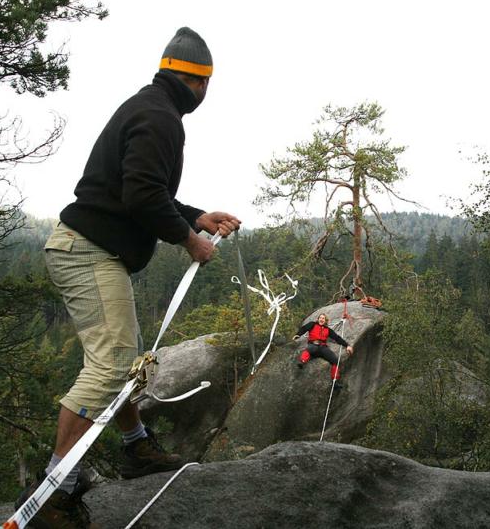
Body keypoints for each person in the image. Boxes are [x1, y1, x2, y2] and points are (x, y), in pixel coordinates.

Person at [17, 27, 240, 528]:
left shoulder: (149, 107)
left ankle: (136, 446)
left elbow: (138, 189)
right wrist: (189, 238)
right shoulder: (162, 118)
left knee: (123, 360)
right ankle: (56, 488)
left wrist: (196, 215)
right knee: (113, 363)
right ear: (199, 83)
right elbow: (141, 196)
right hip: (88, 252)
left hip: (88, 247)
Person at [293, 313, 353, 390]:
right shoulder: (312, 324)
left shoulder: (328, 330)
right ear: (318, 319)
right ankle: (302, 361)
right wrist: (298, 335)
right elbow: (304, 328)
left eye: (323, 318)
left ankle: (335, 382)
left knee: (335, 360)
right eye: (320, 318)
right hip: (313, 344)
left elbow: (337, 338)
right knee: (310, 349)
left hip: (322, 347)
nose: (321, 319)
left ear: (325, 321)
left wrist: (347, 345)